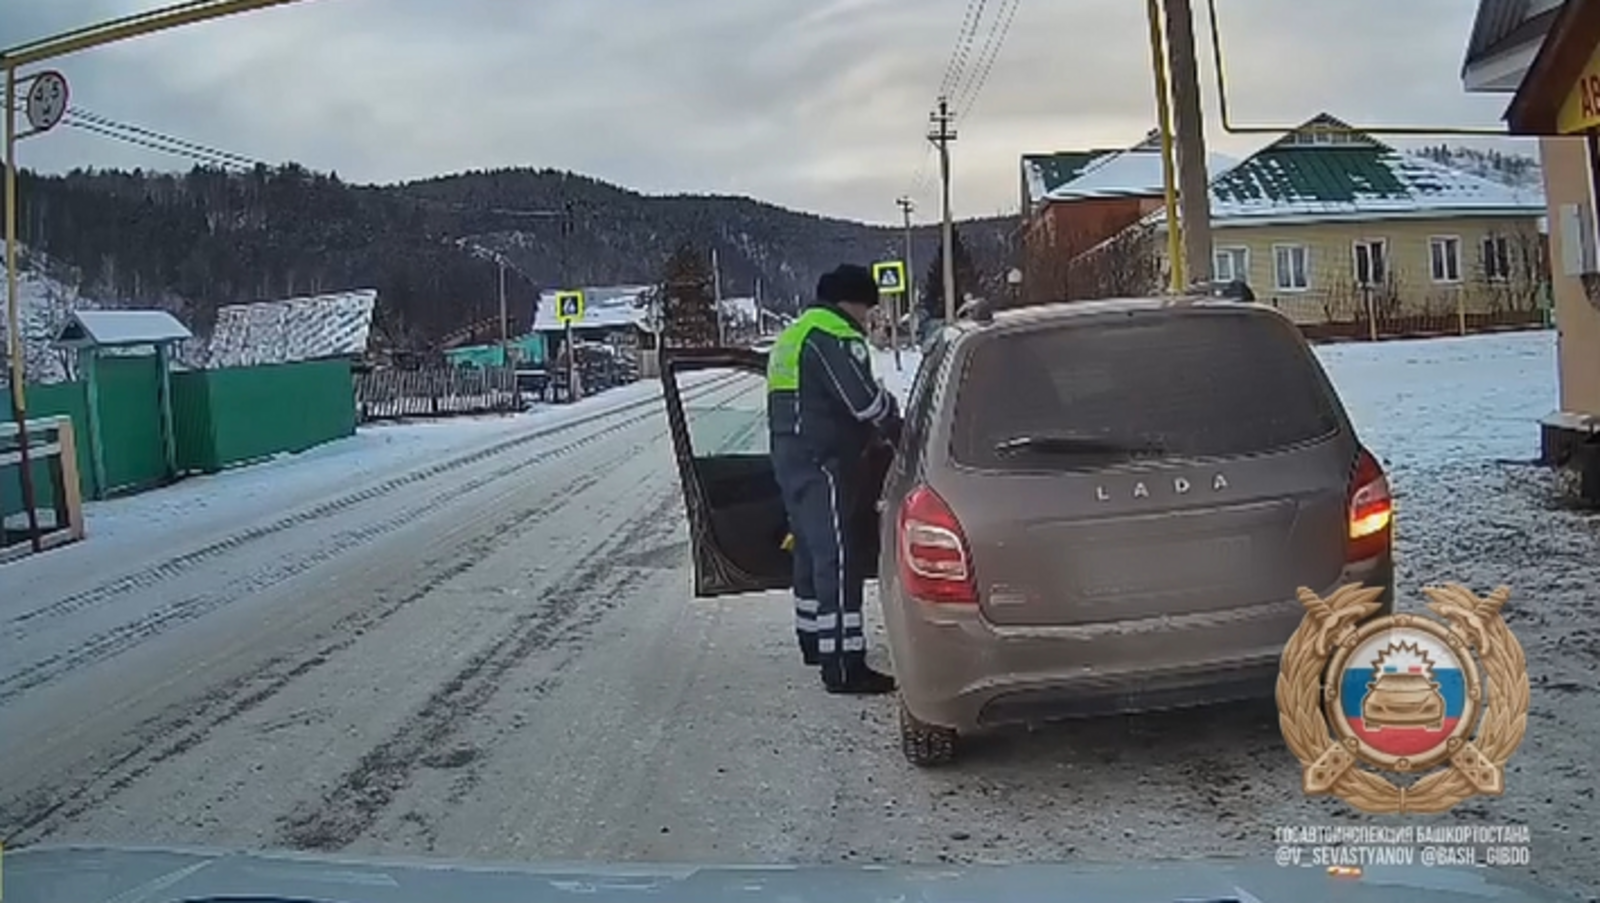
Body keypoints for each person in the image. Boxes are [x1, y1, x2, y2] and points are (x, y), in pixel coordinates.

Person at [766, 264, 903, 695]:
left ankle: (815, 640)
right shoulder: (833, 333)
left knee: (809, 549)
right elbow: (862, 402)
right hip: (824, 459)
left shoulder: (797, 331)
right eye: (868, 309)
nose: (868, 319)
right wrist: (896, 423)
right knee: (838, 556)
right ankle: (844, 664)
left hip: (792, 456)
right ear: (854, 301)